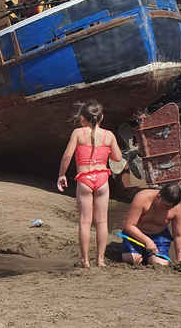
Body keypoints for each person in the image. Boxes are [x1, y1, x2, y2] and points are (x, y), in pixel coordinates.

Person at [57, 100, 122, 268]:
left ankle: (84, 260)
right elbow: (117, 158)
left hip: (85, 179)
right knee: (102, 222)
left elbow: (67, 156)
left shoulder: (78, 133)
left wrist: (62, 175)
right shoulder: (109, 135)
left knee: (85, 221)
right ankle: (100, 260)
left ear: (82, 118)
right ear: (101, 118)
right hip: (102, 179)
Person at [121, 183, 181, 265]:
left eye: (171, 207)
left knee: (160, 263)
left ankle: (149, 256)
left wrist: (180, 258)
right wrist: (147, 241)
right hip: (136, 234)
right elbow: (129, 226)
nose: (168, 209)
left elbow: (178, 235)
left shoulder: (176, 209)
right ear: (159, 197)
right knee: (132, 259)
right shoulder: (142, 198)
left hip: (159, 236)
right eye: (165, 206)